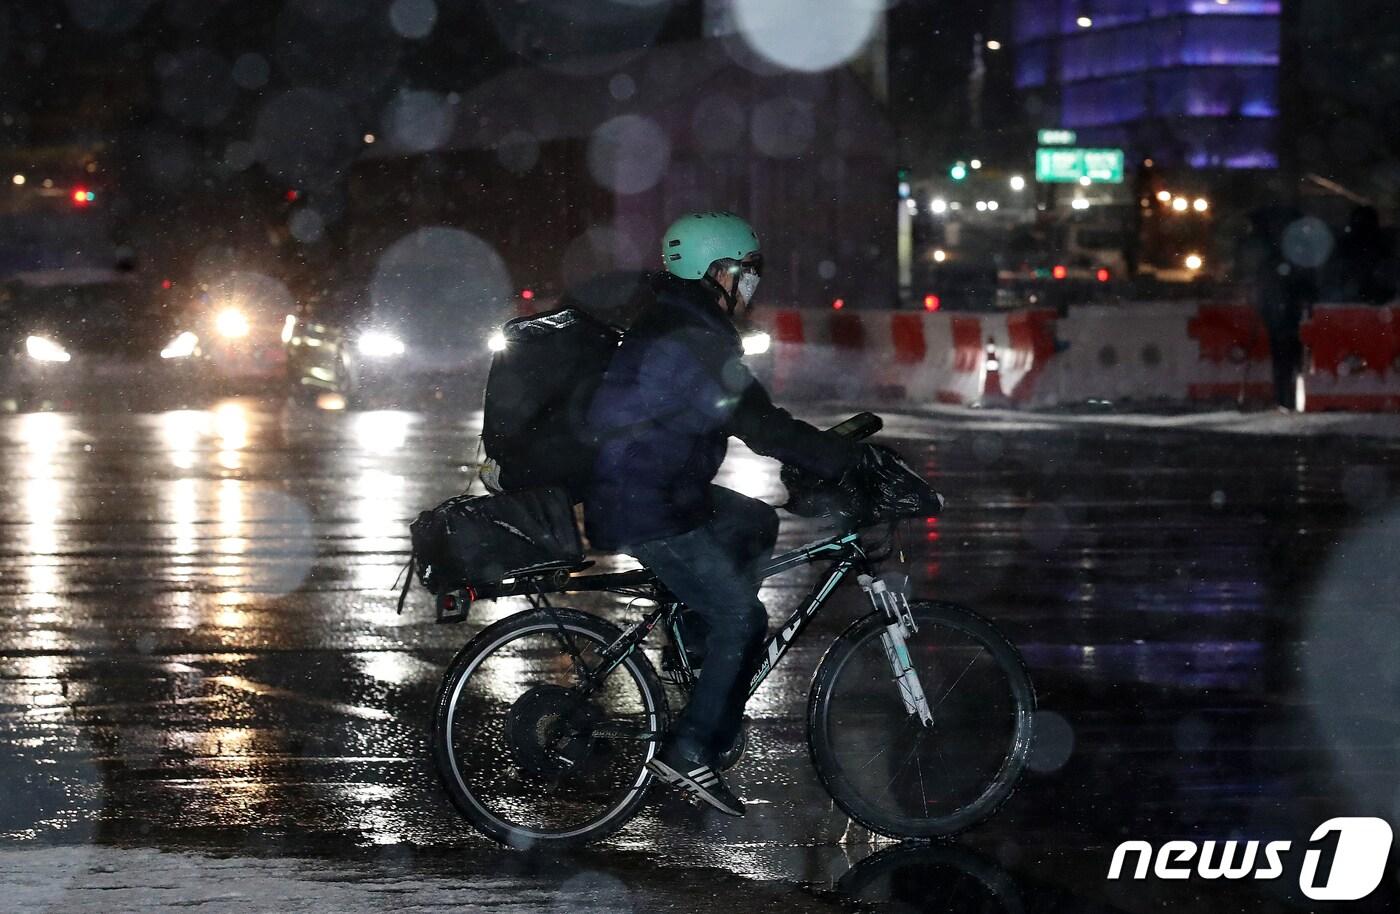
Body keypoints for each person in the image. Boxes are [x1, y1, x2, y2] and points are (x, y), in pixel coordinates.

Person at [583, 212, 861, 816]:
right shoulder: (691, 336)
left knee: (755, 522)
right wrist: (842, 461)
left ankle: (695, 652)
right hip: (643, 502)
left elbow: (750, 415)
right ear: (715, 271)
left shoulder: (687, 321)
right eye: (747, 269)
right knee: (741, 617)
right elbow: (755, 421)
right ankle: (690, 749)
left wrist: (821, 453)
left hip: (661, 488)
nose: (753, 282)